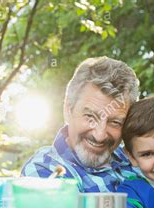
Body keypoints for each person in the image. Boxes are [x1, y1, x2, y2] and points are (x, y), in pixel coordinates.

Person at [21, 56, 141, 192]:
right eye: (90, 116)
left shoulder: (138, 159)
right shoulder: (45, 171)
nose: (99, 135)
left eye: (115, 122)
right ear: (68, 109)